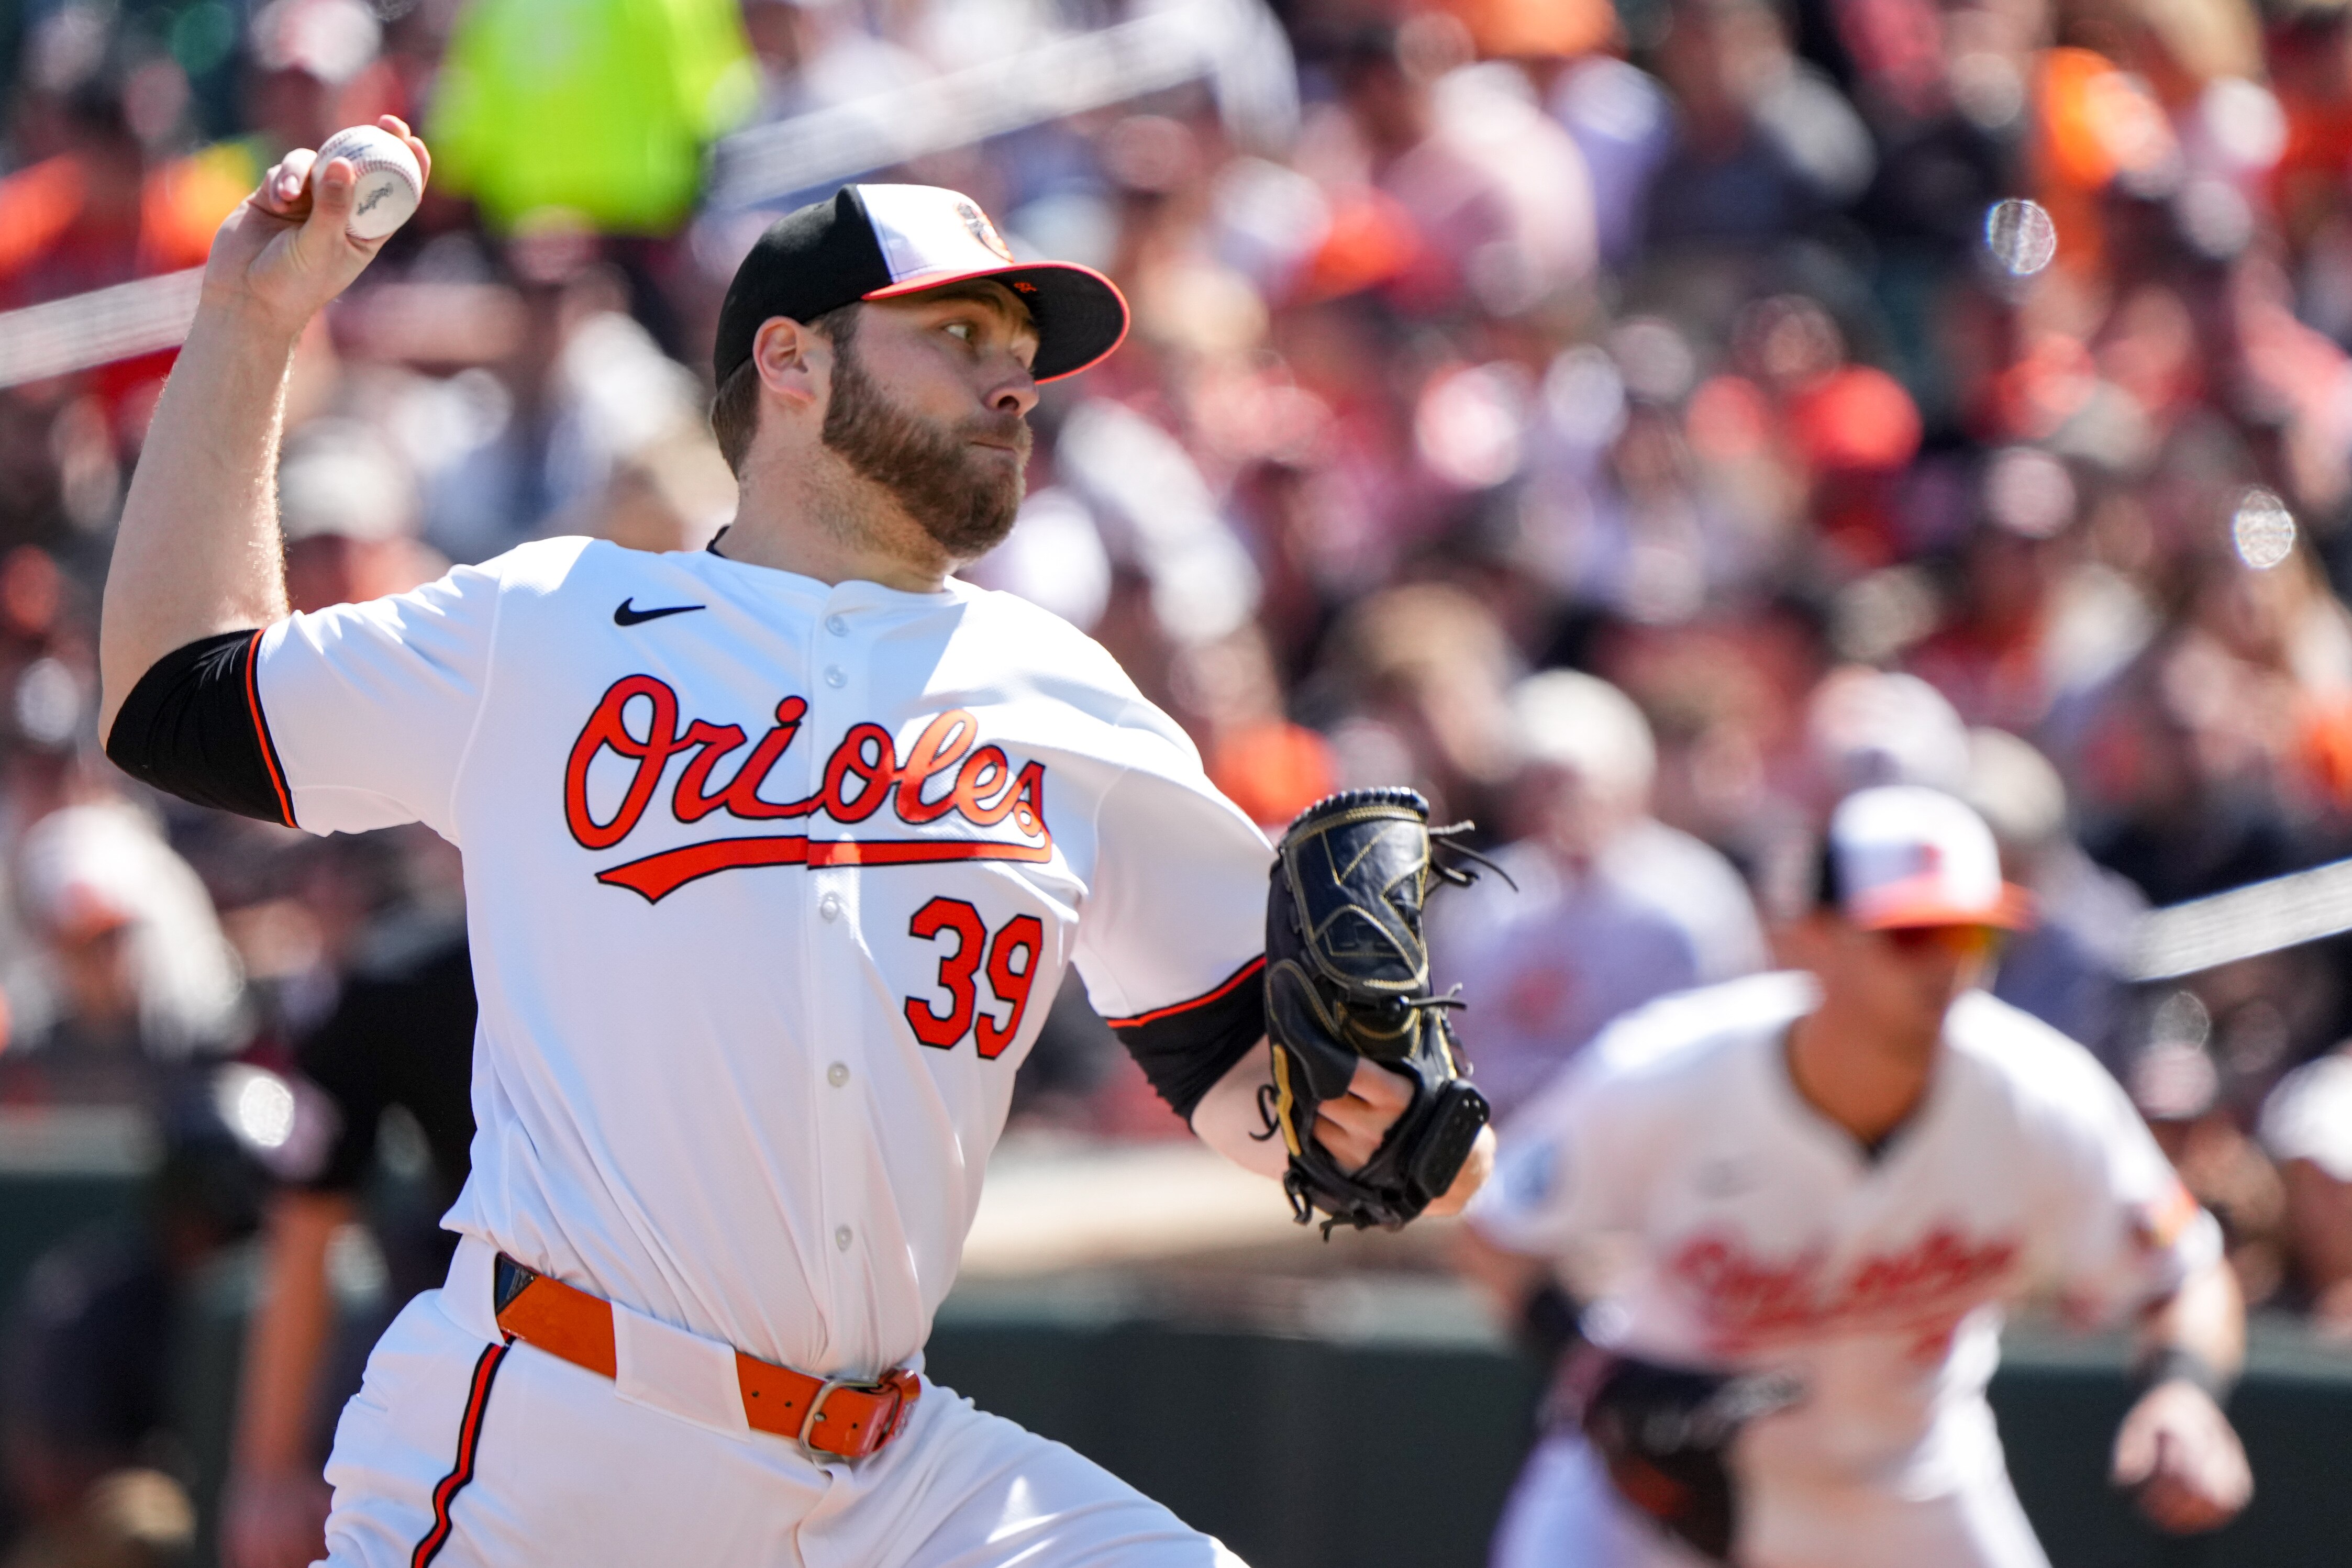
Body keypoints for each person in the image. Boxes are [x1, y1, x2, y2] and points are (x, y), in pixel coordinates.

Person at [95, 121, 1490, 1567]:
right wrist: (247, 324)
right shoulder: (553, 624)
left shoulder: (1064, 695)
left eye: (1020, 344)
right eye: (956, 331)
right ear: (790, 360)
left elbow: (1239, 1068)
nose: (1013, 375)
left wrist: (1389, 1130)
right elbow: (173, 697)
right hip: (564, 1441)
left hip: (891, 1474)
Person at [1456, 785, 2252, 1568]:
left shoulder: (2038, 1093)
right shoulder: (1671, 1072)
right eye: (1911, 936)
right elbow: (1496, 1227)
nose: (1945, 966)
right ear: (1810, 939)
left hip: (1910, 1489)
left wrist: (2182, 1391)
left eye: (1969, 935)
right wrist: (1595, 1371)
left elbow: (2185, 1273)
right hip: (1652, 1500)